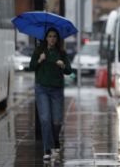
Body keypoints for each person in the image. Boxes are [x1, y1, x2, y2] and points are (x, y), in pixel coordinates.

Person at [29, 28, 72, 160]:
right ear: (46, 38)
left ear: (57, 39)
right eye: (50, 36)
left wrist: (63, 65)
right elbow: (31, 67)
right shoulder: (39, 52)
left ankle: (55, 139)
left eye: (54, 36)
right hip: (42, 89)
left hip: (56, 90)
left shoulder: (61, 53)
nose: (52, 39)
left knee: (57, 121)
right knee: (45, 120)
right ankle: (47, 149)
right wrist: (40, 60)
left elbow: (69, 71)